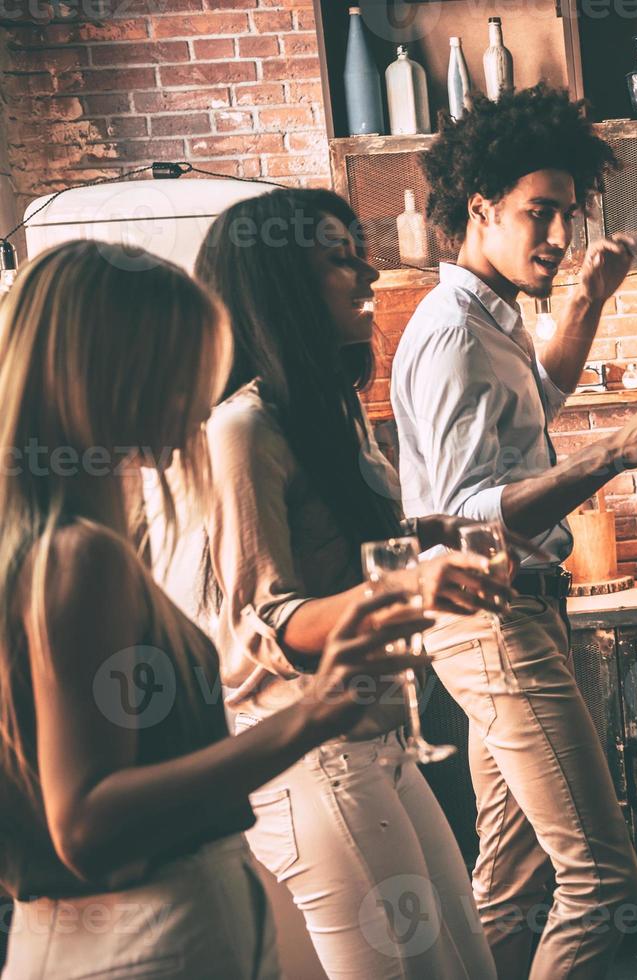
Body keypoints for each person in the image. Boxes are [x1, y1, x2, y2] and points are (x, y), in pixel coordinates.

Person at [0, 240, 434, 978]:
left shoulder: (68, 539)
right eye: (179, 361)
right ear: (101, 370)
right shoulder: (81, 557)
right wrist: (314, 714)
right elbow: (85, 821)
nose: (198, 388)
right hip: (144, 942)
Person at [393, 85, 637, 979]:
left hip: (512, 615)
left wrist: (588, 300)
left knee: (515, 880)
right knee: (604, 879)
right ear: (480, 209)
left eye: (569, 215)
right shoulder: (453, 334)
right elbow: (460, 514)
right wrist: (612, 454)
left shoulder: (488, 322)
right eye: (540, 214)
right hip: (494, 617)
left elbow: (538, 402)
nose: (560, 235)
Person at [183, 189, 503, 978]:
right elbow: (268, 620)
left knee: (469, 967)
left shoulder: (326, 411)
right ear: (280, 285)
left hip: (379, 741)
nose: (367, 270)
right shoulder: (241, 428)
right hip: (313, 759)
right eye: (339, 258)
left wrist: (445, 542)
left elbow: (359, 547)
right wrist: (409, 585)